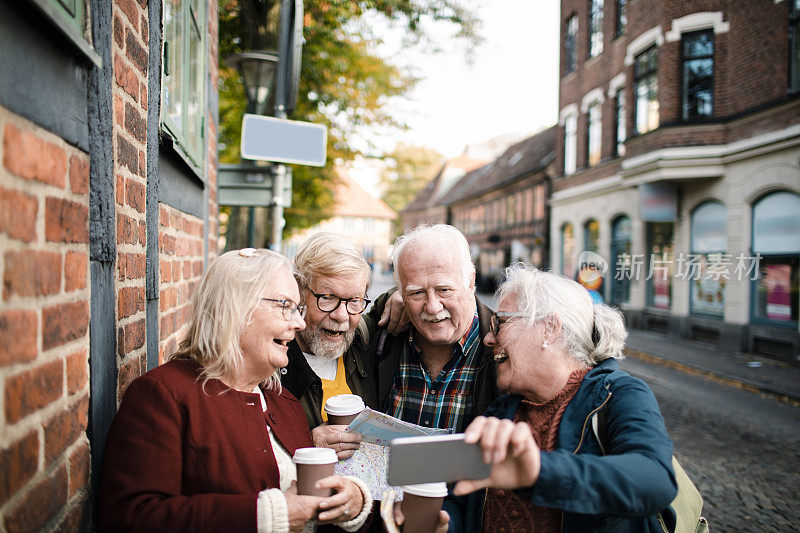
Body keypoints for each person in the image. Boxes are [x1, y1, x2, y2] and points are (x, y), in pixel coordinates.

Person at [100, 248, 373, 533]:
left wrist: (351, 502)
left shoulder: (284, 403)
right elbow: (129, 517)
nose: (299, 323)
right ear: (237, 307)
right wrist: (267, 515)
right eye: (286, 306)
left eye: (298, 310)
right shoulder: (161, 395)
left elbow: (304, 503)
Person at [443, 264, 677, 532]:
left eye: (501, 322)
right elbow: (462, 499)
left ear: (550, 328)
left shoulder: (619, 394)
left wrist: (539, 472)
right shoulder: (499, 411)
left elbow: (655, 479)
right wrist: (443, 523)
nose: (488, 338)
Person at [369, 224, 499, 434]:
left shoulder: (504, 349)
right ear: (400, 293)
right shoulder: (380, 337)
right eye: (417, 293)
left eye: (444, 290)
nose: (432, 307)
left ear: (471, 281)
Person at [282, 232, 377, 460]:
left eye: (354, 300)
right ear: (299, 292)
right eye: (327, 297)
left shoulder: (364, 340)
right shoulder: (271, 362)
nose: (342, 316)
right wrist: (306, 444)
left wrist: (399, 297)